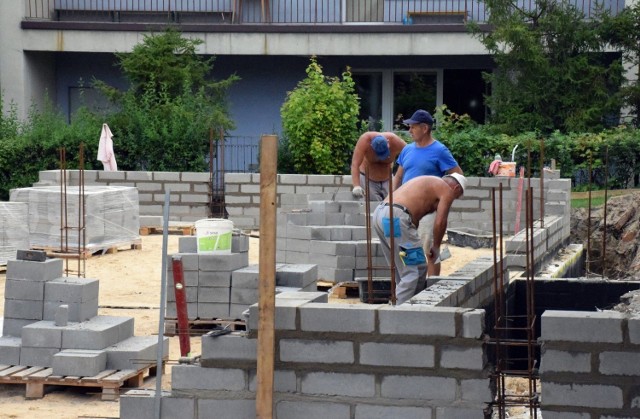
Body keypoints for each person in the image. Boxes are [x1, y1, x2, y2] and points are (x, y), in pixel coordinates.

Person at [372, 173, 467, 304]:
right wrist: (436, 247)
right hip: (396, 218)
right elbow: (440, 222)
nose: (452, 199)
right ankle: (399, 312)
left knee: (408, 269)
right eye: (456, 197)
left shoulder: (428, 182)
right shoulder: (446, 190)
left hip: (380, 215)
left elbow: (414, 218)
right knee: (414, 270)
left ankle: (404, 304)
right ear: (456, 188)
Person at [392, 109, 464, 275]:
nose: (409, 131)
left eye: (413, 127)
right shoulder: (407, 150)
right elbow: (398, 177)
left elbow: (457, 176)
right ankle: (415, 282)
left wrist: (441, 201)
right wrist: (391, 199)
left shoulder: (439, 151)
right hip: (406, 208)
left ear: (424, 128)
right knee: (408, 247)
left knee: (429, 249)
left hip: (428, 211)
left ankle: (431, 287)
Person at [350, 131, 406, 201]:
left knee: (390, 206)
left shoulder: (395, 141)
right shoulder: (364, 140)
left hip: (388, 180)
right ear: (371, 145)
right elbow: (355, 164)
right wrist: (356, 186)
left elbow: (410, 154)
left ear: (388, 142)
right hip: (367, 180)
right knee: (372, 209)